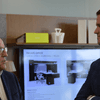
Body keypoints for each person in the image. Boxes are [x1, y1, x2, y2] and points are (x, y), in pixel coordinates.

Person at [75, 9, 100, 100]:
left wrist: (91, 98)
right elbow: (79, 98)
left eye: (99, 26)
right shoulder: (96, 66)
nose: (95, 31)